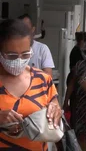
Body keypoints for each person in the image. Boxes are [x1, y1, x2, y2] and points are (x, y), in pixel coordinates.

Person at [0, 19, 61, 150]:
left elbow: (54, 105)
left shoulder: (42, 80)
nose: (18, 60)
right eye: (11, 56)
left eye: (25, 54)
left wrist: (55, 111)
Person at [63, 40, 86, 150]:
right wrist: (66, 101)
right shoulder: (80, 65)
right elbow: (71, 85)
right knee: (80, 133)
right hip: (79, 104)